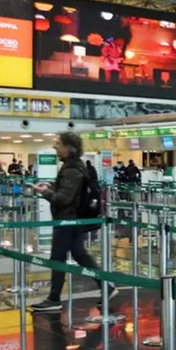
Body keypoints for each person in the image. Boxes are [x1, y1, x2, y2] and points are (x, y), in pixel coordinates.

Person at [31, 132, 117, 312]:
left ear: (68, 148)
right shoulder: (73, 166)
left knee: (57, 258)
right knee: (80, 254)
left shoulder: (71, 170)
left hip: (67, 221)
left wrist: (44, 192)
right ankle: (106, 287)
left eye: (58, 143)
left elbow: (63, 199)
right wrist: (49, 188)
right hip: (73, 220)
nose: (54, 146)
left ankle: (54, 298)